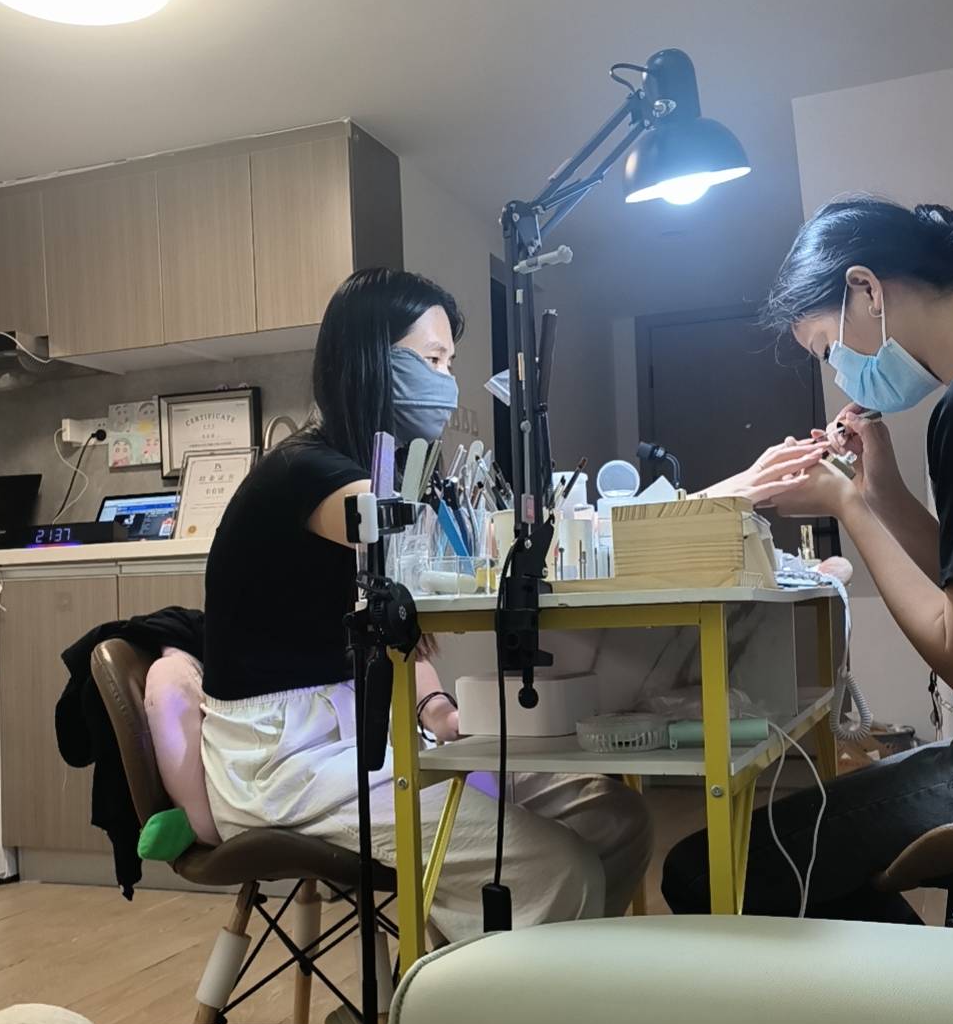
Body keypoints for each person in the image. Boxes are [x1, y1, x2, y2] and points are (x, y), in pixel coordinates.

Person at [202, 266, 651, 942]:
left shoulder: (370, 471)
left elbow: (395, 632)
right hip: (285, 761)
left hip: (365, 731)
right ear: (371, 363)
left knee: (613, 818)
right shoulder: (307, 475)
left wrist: (435, 707)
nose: (447, 382)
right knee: (552, 867)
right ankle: (470, 1002)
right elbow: (393, 529)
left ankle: (523, 977)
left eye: (450, 363)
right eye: (432, 360)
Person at [664, 195, 953, 921]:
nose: (841, 379)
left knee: (702, 873)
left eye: (827, 350)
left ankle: (903, 987)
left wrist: (848, 508)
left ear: (866, 289)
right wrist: (882, 493)